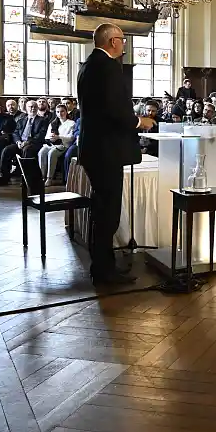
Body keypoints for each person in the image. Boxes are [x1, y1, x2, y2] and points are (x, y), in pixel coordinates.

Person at [77, 23, 156, 285]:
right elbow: (113, 110)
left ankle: (103, 265)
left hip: (93, 147)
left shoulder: (88, 66)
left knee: (102, 210)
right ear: (112, 42)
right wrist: (138, 122)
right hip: (106, 150)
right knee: (107, 213)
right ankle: (103, 271)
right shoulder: (108, 67)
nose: (125, 45)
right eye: (122, 40)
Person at [0, 99, 49, 186]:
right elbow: (15, 133)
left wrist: (28, 142)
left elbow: (41, 134)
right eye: (30, 107)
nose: (33, 109)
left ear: (37, 108)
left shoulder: (43, 120)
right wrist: (18, 142)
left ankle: (26, 179)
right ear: (26, 108)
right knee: (7, 150)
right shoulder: (22, 120)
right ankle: (4, 178)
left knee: (27, 150)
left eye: (35, 107)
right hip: (20, 143)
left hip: (34, 144)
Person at [38, 103, 76, 186]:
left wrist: (59, 137)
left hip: (64, 144)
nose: (60, 114)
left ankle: (49, 178)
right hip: (53, 143)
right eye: (58, 112)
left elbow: (71, 137)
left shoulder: (71, 123)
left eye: (62, 111)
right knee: (42, 151)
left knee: (52, 152)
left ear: (66, 112)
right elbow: (47, 136)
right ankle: (42, 176)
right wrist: (51, 138)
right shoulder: (53, 123)